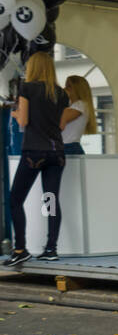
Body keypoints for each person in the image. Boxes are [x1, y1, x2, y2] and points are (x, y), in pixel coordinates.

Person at [4, 52, 76, 266]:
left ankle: (20, 249)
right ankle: (51, 249)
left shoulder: (27, 88)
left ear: (33, 68)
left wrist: (16, 113)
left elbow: (24, 120)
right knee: (51, 200)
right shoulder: (61, 94)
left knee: (16, 199)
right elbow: (59, 124)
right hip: (57, 152)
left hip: (34, 151)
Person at [61, 74, 97, 155]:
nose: (64, 89)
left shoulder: (81, 105)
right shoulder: (71, 105)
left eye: (69, 86)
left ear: (78, 89)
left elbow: (61, 121)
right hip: (65, 146)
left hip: (69, 147)